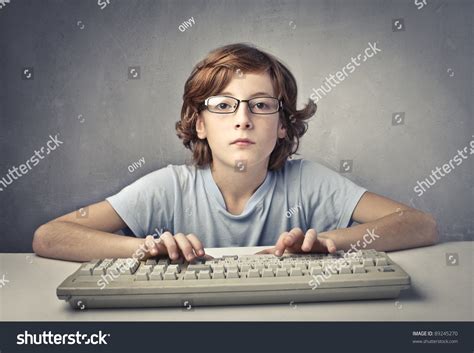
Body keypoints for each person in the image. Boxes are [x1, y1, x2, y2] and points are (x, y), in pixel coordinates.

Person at [32, 43, 438, 262]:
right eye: (224, 105)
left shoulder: (308, 181)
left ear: (282, 125)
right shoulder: (168, 187)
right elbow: (50, 237)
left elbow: (419, 224)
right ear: (200, 124)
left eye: (261, 104)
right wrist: (141, 247)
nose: (243, 119)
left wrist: (330, 241)